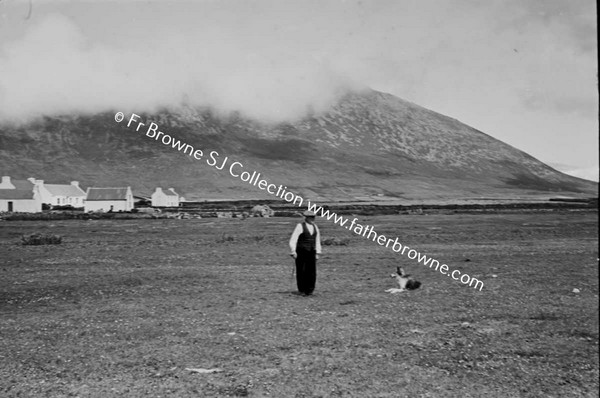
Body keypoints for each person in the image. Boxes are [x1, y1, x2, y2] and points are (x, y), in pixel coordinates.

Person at [289, 210, 322, 296]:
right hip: (301, 251)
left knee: (311, 271)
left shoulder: (315, 227)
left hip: (311, 251)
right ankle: (302, 289)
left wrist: (317, 252)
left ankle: (310, 290)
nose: (312, 219)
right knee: (301, 270)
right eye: (310, 217)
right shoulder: (300, 226)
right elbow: (293, 239)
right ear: (306, 218)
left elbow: (317, 240)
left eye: (313, 217)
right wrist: (293, 251)